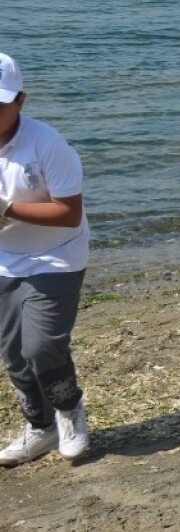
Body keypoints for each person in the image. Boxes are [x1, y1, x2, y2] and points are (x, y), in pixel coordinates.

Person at [0, 52, 91, 468]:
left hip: (56, 256)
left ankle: (69, 411)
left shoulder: (47, 144)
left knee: (42, 347)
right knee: (15, 354)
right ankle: (39, 426)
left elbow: (68, 212)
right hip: (4, 258)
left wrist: (7, 210)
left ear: (20, 101)